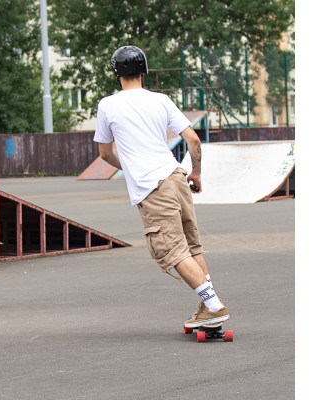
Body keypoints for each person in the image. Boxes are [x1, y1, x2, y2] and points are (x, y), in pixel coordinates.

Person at [93, 45, 229, 328]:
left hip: (152, 188)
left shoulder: (107, 105)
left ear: (116, 74)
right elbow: (193, 139)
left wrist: (128, 168)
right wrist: (197, 173)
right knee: (192, 247)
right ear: (144, 71)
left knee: (171, 250)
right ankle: (207, 307)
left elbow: (105, 154)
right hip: (176, 177)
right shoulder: (161, 100)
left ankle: (214, 306)